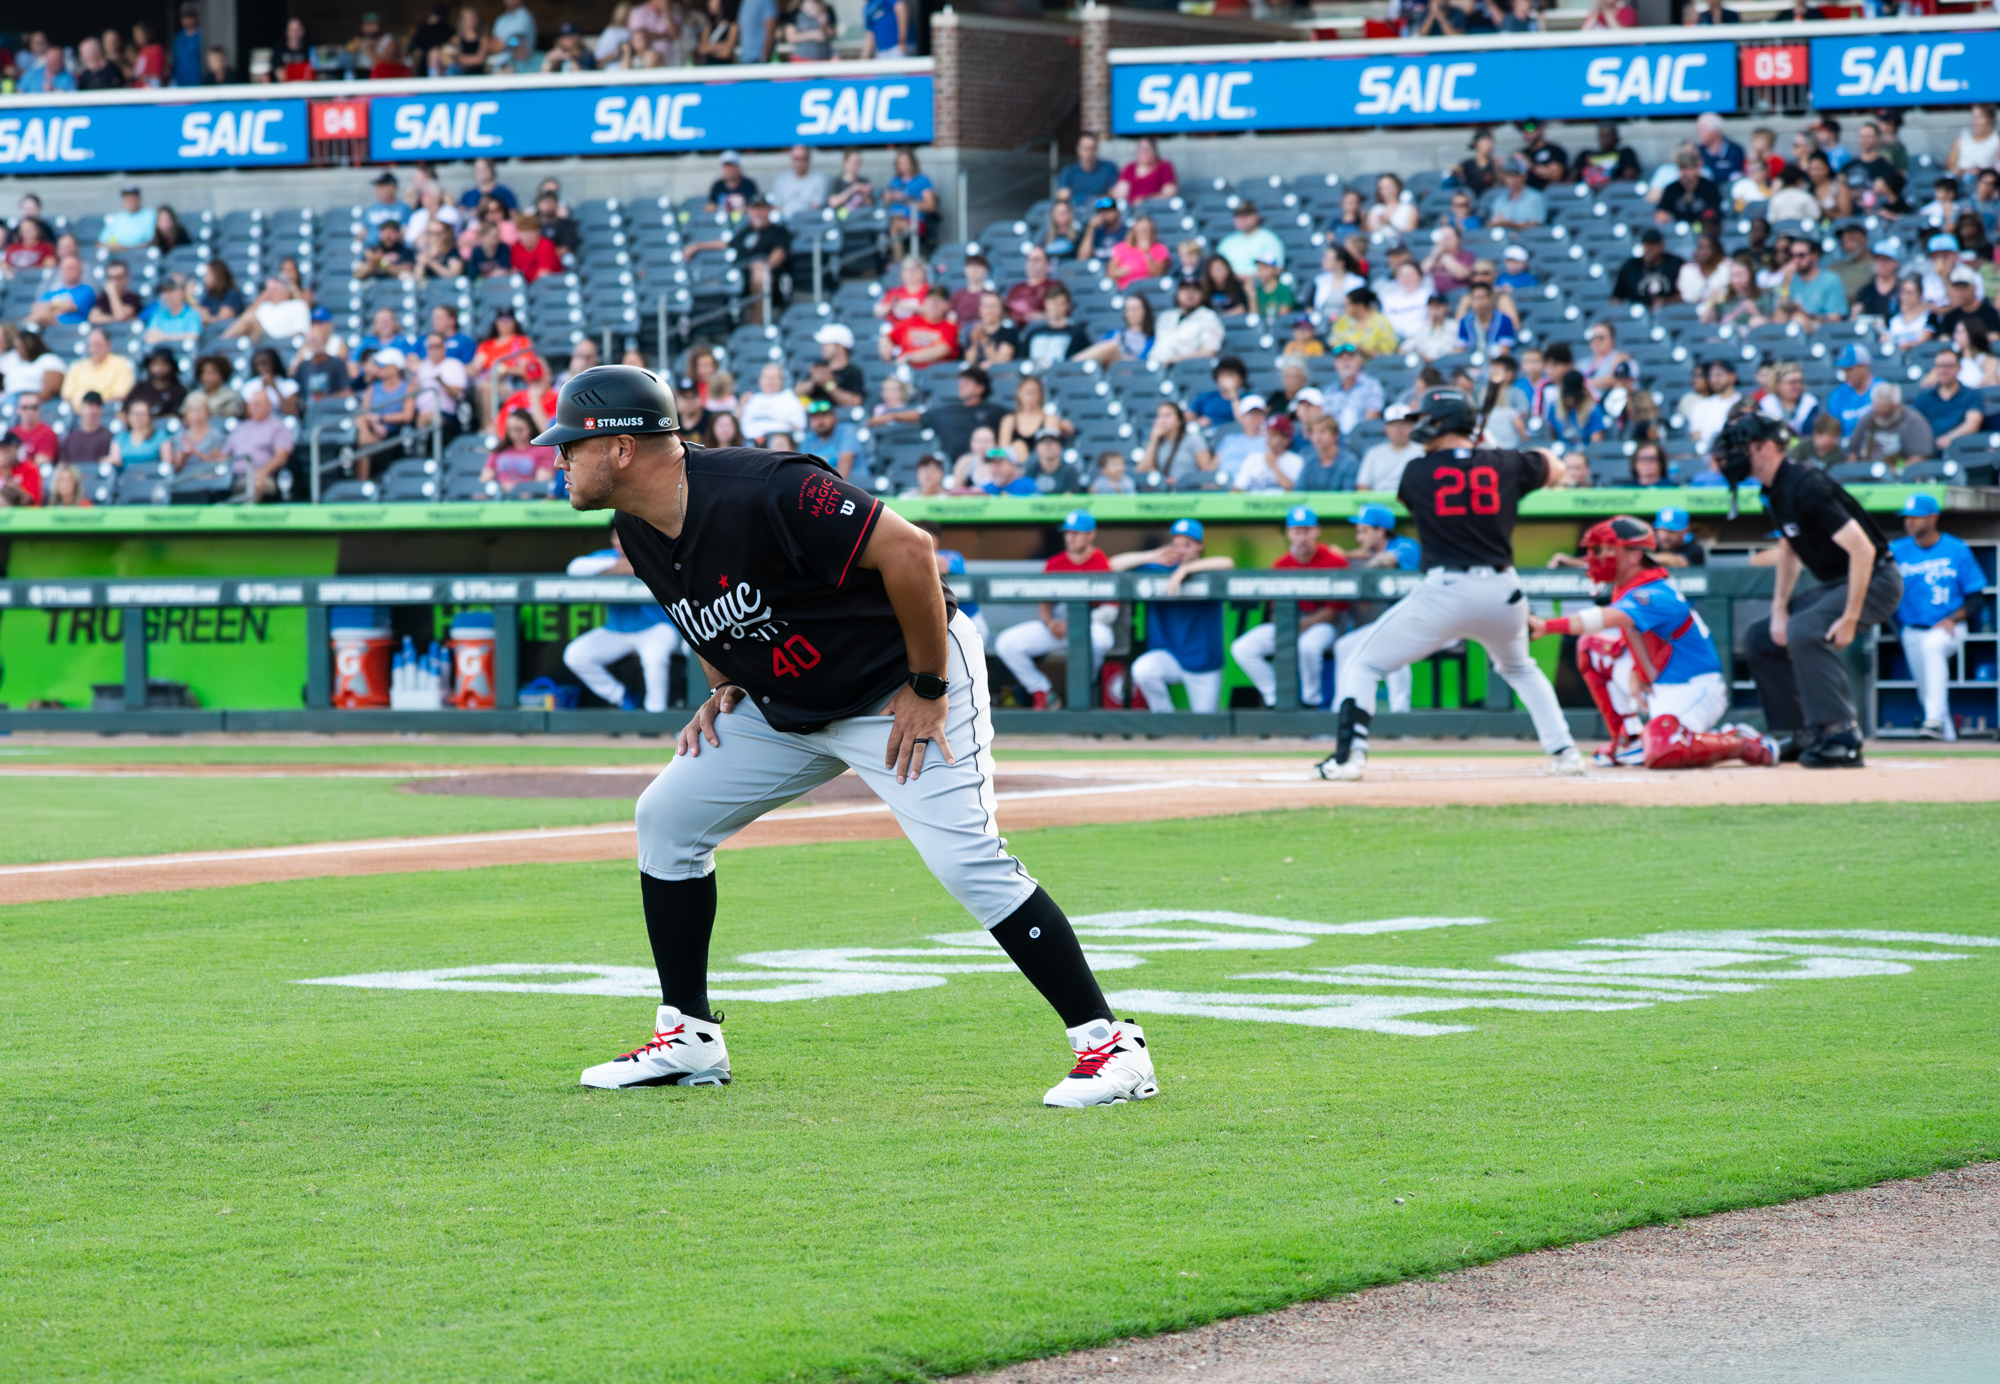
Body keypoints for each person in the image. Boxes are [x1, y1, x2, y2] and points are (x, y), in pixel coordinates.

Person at [539, 365, 1158, 1103]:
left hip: (900, 684)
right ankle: (691, 1036)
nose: (559, 460)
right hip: (789, 705)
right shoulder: (635, 526)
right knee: (667, 818)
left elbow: (911, 552)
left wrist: (929, 686)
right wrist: (727, 682)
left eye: (569, 445)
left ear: (620, 449)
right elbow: (693, 605)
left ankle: (1112, 1046)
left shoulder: (766, 485)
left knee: (967, 862)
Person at [1317, 387, 1585, 781]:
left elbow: (1446, 473)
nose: (1421, 426)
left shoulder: (1415, 472)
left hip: (1445, 592)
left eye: (1428, 418)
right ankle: (1564, 751)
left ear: (1444, 422)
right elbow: (1556, 468)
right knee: (1519, 667)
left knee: (1365, 662)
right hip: (1503, 593)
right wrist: (1495, 453)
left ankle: (1347, 758)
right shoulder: (1505, 463)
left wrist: (1481, 453)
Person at [1724, 413, 1902, 768]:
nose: (1739, 455)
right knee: (1761, 637)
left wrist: (1850, 618)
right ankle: (1800, 732)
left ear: (1768, 448)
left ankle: (1842, 734)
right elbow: (1790, 550)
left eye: (1747, 447)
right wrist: (1778, 609)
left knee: (1804, 630)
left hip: (1876, 579)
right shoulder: (1772, 492)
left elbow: (1863, 551)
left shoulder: (1806, 484)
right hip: (1837, 583)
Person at [1531, 517, 1774, 769]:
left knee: (1663, 750)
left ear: (1634, 556)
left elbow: (1609, 618)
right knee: (1592, 647)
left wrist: (1546, 626)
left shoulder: (1653, 591)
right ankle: (1629, 741)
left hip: (1694, 688)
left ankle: (1740, 741)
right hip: (1658, 682)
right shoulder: (1629, 587)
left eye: (1609, 549)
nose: (1600, 557)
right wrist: (1637, 667)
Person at [993, 511, 1116, 710]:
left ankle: (1085, 687)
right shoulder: (1056, 562)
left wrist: (1076, 623)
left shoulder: (1101, 562)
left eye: (1077, 533)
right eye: (1068, 532)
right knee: (1007, 643)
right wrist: (1050, 623)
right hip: (1059, 625)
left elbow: (1110, 611)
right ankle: (1042, 691)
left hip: (1090, 626)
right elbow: (1045, 604)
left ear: (1091, 535)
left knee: (1101, 640)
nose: (1070, 537)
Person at [1231, 505, 1349, 708]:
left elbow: (1333, 612)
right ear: (1288, 534)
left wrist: (1298, 627)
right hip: (1290, 621)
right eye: (1297, 531)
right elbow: (1274, 610)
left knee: (1308, 646)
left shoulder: (1334, 560)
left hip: (1324, 625)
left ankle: (1310, 701)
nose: (1302, 537)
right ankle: (1275, 696)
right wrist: (1286, 626)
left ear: (1317, 531)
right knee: (1242, 648)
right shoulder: (1281, 564)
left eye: (1307, 530)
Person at [1113, 519, 1235, 715]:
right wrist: (1153, 555)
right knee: (1143, 670)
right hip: (1168, 655)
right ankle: (1165, 717)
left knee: (1207, 733)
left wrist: (1185, 570)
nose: (1181, 550)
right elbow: (1112, 565)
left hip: (1204, 661)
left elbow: (1228, 563)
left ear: (1199, 547)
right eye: (1176, 544)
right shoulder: (1159, 570)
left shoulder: (1207, 570)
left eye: (1188, 544)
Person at [1889, 493, 1985, 741]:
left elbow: (1977, 596)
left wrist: (1953, 619)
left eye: (1916, 517)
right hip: (1912, 629)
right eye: (1907, 517)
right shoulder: (1897, 550)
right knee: (1927, 691)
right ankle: (1946, 737)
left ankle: (1933, 722)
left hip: (1949, 626)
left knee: (1933, 646)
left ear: (1933, 518)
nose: (1909, 522)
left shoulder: (1956, 548)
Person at [224, 388, 295, 501]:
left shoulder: (278, 426)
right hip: (234, 476)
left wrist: (262, 472)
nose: (254, 407)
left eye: (259, 404)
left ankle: (248, 517)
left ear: (270, 406)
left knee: (256, 484)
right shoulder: (240, 427)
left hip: (266, 477)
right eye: (252, 404)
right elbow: (223, 456)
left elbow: (281, 456)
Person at [1846, 383, 1934, 466]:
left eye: (1886, 414)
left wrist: (1897, 472)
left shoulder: (1914, 422)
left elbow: (1919, 458)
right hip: (1867, 472)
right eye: (1878, 413)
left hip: (1899, 474)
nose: (1881, 417)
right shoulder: (1867, 420)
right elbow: (1853, 452)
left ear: (1897, 406)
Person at [883, 148, 937, 258]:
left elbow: (931, 206)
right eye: (899, 162)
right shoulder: (894, 181)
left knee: (895, 226)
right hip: (891, 217)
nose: (902, 165)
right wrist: (889, 197)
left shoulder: (922, 180)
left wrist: (908, 201)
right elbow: (883, 203)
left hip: (914, 220)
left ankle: (897, 262)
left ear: (912, 162)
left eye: (905, 162)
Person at [1355, 404, 1422, 492]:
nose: (1399, 429)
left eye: (1404, 424)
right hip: (1379, 503)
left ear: (1413, 427)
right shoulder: (1374, 453)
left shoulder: (1421, 451)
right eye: (1394, 424)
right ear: (1386, 429)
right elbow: (1363, 486)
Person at [62, 330, 135, 409]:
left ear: (108, 345)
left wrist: (92, 405)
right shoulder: (77, 366)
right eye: (91, 345)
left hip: (106, 413)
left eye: (98, 345)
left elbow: (120, 395)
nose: (94, 349)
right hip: (78, 415)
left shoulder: (121, 364)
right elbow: (66, 396)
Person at [1613, 229, 1685, 307]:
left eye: (1653, 245)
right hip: (1638, 312)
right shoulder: (1631, 266)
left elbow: (1686, 296)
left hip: (1670, 313)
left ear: (1662, 246)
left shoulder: (1675, 264)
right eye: (1646, 245)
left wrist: (1666, 301)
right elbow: (1616, 297)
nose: (1649, 249)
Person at [1216, 203, 1285, 279]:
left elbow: (1277, 269)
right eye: (1238, 216)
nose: (1241, 219)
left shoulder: (1268, 239)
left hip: (1258, 287)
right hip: (1229, 286)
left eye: (1246, 215)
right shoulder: (1227, 241)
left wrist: (1246, 279)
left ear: (1256, 217)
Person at [769, 146, 829, 223]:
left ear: (808, 159)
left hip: (809, 222)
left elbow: (816, 206)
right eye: (796, 159)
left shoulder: (819, 179)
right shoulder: (781, 180)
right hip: (784, 223)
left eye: (802, 159)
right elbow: (776, 206)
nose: (799, 163)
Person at [1113, 137, 1178, 204]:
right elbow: (1121, 192)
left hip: (1156, 208)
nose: (1143, 152)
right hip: (1132, 209)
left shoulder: (1164, 166)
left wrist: (1145, 200)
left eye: (1146, 149)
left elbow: (1170, 192)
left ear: (1154, 151)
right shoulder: (1130, 168)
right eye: (1140, 149)